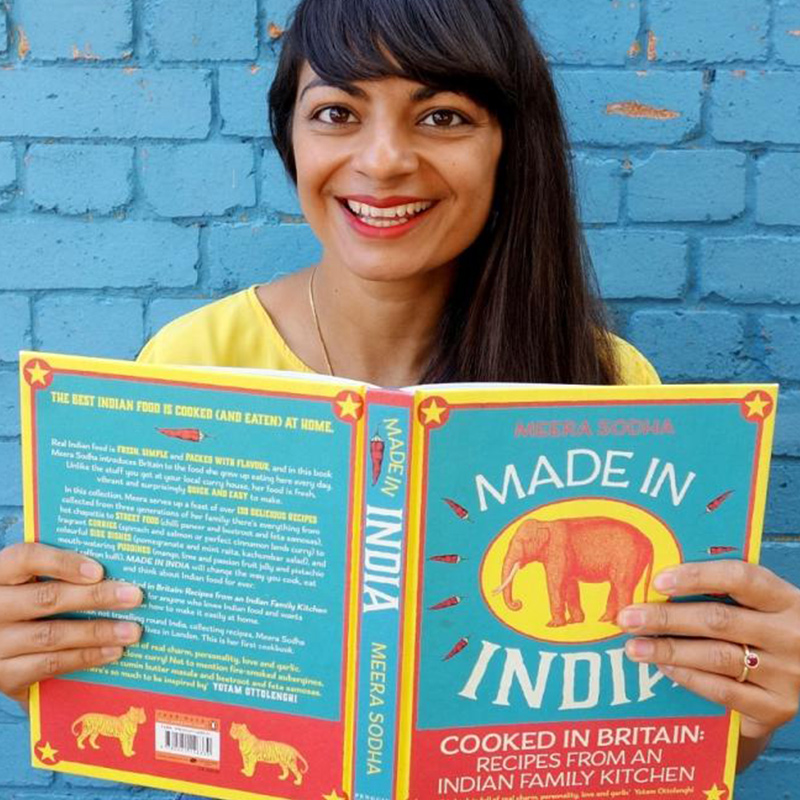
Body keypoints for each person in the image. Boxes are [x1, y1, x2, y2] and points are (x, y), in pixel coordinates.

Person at [0, 0, 798, 781]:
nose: (382, 161)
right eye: (337, 114)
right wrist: (54, 663)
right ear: (290, 139)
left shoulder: (613, 384)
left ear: (508, 146)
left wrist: (748, 711)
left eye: (443, 116)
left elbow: (647, 742)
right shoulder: (187, 366)